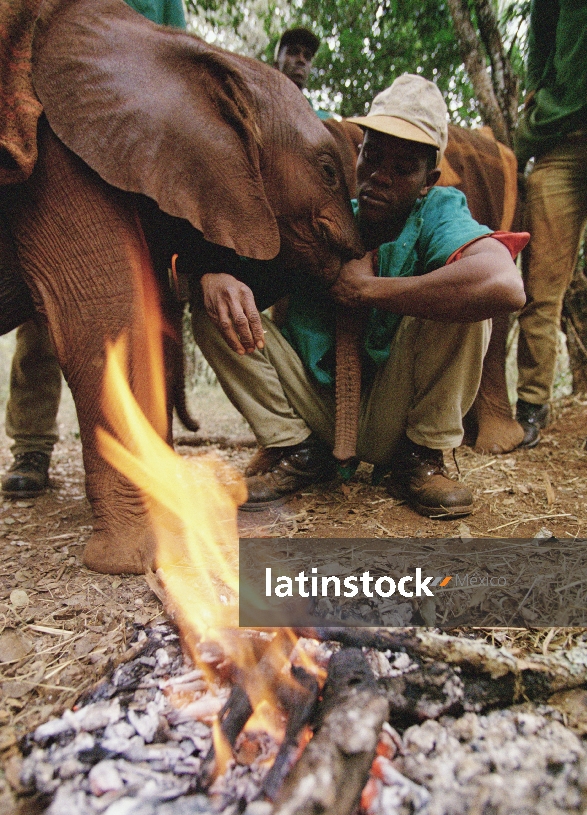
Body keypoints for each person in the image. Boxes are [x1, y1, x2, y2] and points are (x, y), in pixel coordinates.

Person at [193, 74, 527, 518]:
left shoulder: (439, 212)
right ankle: (294, 450)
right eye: (373, 157)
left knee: (469, 304)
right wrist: (215, 274)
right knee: (213, 304)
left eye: (402, 166)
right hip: (316, 407)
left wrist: (368, 290)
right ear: (357, 155)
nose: (380, 177)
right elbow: (248, 275)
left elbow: (503, 284)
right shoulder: (326, 215)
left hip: (396, 416)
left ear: (428, 179)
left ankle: (422, 457)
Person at [1, 0, 187, 498]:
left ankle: (148, 452)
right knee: (42, 321)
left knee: (151, 317)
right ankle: (33, 445)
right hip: (55, 143)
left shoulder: (164, 3)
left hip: (130, 150)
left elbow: (171, 65)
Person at [514, 0, 587, 453]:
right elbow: (541, 26)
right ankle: (531, 406)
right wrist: (535, 91)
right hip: (561, 130)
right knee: (541, 285)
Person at [273, 26, 331, 120]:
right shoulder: (259, 109)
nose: (301, 60)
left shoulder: (324, 121)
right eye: (293, 52)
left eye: (307, 56)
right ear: (276, 65)